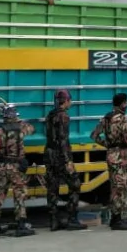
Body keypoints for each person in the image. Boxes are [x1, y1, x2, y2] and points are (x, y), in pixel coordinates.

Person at [91, 93, 127, 231]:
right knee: (121, 187)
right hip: (121, 157)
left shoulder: (106, 118)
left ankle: (116, 218)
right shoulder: (122, 119)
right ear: (123, 103)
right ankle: (117, 220)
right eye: (126, 103)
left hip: (111, 154)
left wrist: (108, 145)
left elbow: (94, 135)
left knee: (114, 186)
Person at [0, 104, 36, 238]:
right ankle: (21, 224)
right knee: (19, 195)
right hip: (17, 167)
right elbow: (33, 129)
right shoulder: (22, 127)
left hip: (3, 166)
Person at [44, 89, 85, 231]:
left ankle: (53, 220)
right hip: (61, 156)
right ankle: (72, 218)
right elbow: (62, 139)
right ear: (66, 101)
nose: (71, 103)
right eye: (70, 100)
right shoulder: (63, 117)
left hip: (49, 154)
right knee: (75, 184)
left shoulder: (50, 115)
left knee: (52, 188)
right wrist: (68, 161)